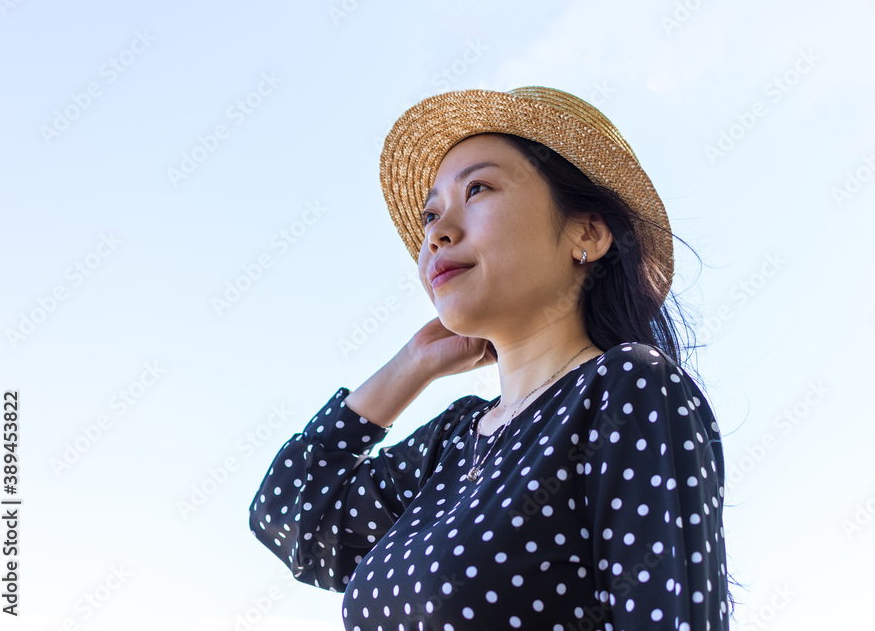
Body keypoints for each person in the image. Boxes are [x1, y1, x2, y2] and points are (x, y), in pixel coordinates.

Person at [248, 86, 737, 630]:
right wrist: (412, 364)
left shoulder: (627, 388)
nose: (437, 233)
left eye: (477, 189)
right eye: (431, 215)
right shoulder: (454, 440)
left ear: (589, 233)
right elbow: (292, 516)